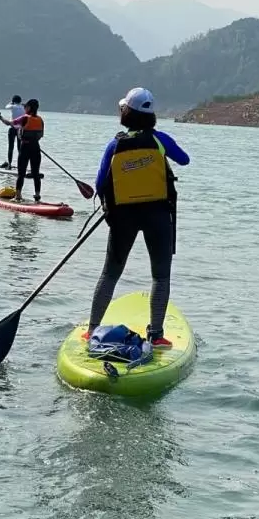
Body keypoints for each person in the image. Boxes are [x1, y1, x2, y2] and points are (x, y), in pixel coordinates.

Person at [87, 86, 190, 347]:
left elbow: (100, 184)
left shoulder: (115, 144)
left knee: (110, 273)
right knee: (161, 276)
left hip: (124, 217)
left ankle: (92, 330)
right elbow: (184, 160)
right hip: (157, 214)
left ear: (126, 114)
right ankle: (156, 335)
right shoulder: (160, 140)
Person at [0, 98, 44, 202]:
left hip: (25, 148)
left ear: (29, 108)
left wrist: (0, 117)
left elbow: (9, 123)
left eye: (25, 107)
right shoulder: (40, 120)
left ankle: (18, 196)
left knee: (21, 173)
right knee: (36, 173)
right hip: (36, 148)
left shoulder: (24, 118)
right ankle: (37, 196)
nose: (24, 108)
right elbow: (40, 135)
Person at [0, 95, 25, 169]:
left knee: (11, 147)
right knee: (20, 148)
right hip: (21, 129)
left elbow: (6, 106)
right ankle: (21, 165)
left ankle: (9, 164)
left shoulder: (13, 106)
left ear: (13, 101)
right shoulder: (23, 107)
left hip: (13, 128)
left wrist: (11, 103)